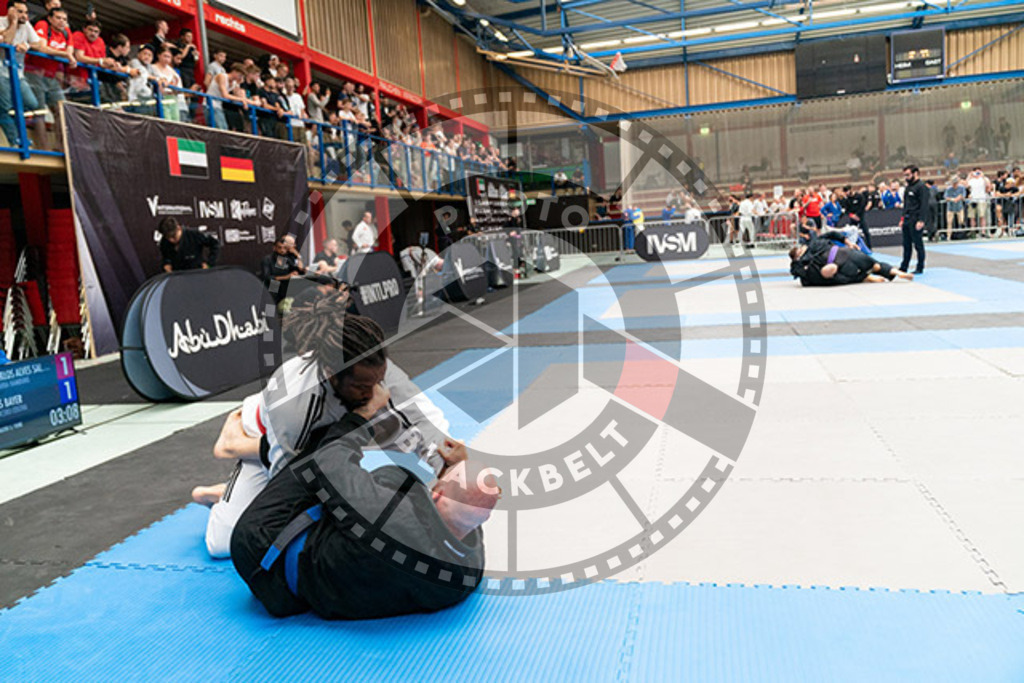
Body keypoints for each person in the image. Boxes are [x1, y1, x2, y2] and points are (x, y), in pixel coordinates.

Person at [192, 301, 454, 560]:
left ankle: (236, 468)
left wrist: (447, 472)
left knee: (397, 428)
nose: (374, 391)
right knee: (223, 544)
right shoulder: (293, 405)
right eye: (362, 386)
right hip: (267, 433)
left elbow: (427, 426)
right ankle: (231, 467)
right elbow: (288, 485)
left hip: (332, 434)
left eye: (379, 380)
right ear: (331, 374)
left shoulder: (374, 370)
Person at [789, 230, 913, 287]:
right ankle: (897, 272)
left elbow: (833, 234)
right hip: (843, 254)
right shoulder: (811, 249)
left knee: (843, 275)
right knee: (876, 265)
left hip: (839, 263)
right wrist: (848, 243)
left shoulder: (810, 250)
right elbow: (833, 234)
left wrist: (847, 242)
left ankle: (866, 276)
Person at [899, 165, 927, 275]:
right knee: (906, 245)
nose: (906, 177)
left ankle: (920, 267)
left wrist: (921, 220)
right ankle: (904, 266)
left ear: (915, 174)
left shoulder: (921, 187)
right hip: (907, 219)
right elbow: (906, 205)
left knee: (918, 244)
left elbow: (924, 205)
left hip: (916, 219)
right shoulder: (908, 187)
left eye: (908, 175)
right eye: (905, 175)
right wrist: (902, 218)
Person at [149, 45, 184, 121]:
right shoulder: (152, 67)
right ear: (159, 55)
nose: (167, 59)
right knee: (166, 120)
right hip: (160, 97)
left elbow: (179, 88)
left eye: (169, 57)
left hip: (173, 98)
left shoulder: (173, 71)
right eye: (165, 56)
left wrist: (174, 87)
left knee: (175, 121)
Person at [966, 167, 992, 236]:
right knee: (972, 217)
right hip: (972, 200)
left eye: (978, 172)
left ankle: (983, 231)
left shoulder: (984, 179)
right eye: (976, 172)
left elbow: (988, 186)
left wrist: (982, 176)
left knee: (982, 216)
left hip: (981, 199)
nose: (977, 173)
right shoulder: (971, 180)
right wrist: (969, 176)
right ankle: (973, 231)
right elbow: (966, 185)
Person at [943, 175, 965, 241]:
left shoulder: (961, 188)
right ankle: (948, 236)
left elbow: (963, 196)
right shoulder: (948, 189)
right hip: (950, 208)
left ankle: (962, 234)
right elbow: (946, 197)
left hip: (959, 207)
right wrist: (952, 199)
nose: (954, 185)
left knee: (961, 220)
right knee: (949, 222)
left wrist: (959, 197)